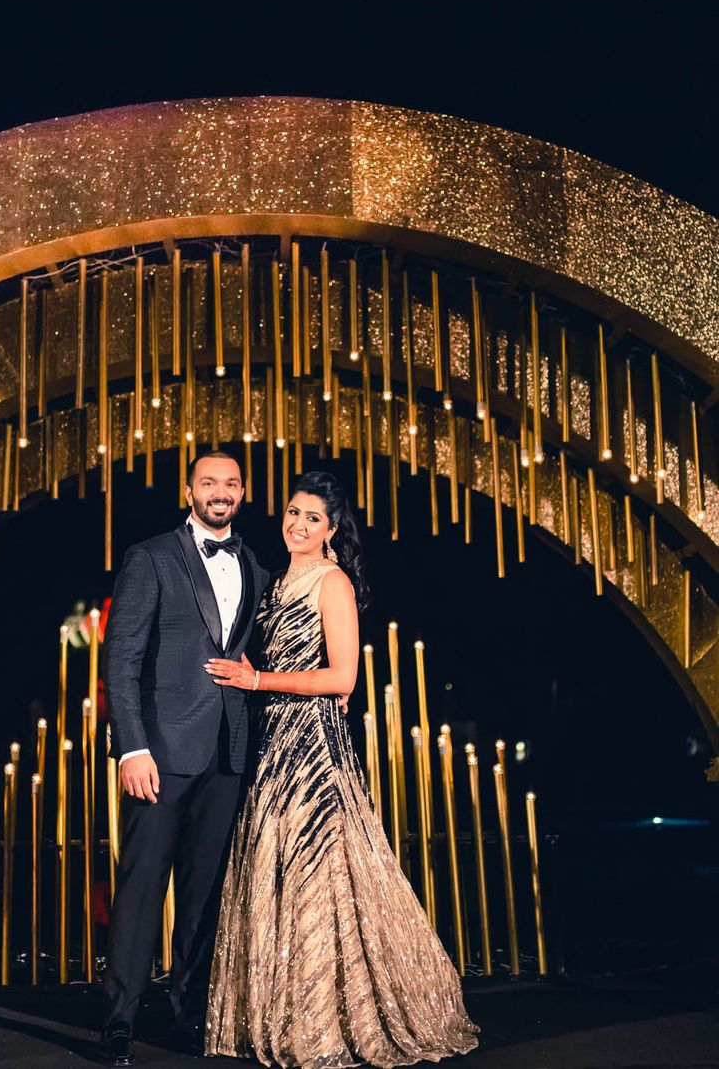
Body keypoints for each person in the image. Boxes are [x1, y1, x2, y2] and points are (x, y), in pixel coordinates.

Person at [203, 470, 479, 1068]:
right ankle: (284, 1011)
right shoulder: (277, 582)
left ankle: (325, 1019)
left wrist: (259, 679)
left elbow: (343, 678)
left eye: (311, 519)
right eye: (292, 513)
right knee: (277, 865)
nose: (297, 525)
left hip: (312, 748)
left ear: (331, 531)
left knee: (320, 870)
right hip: (273, 741)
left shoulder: (333, 583)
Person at [100, 452, 268, 1067]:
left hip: (229, 753)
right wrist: (132, 747)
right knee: (141, 888)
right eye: (208, 483)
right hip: (160, 755)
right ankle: (119, 1019)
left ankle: (188, 1015)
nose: (219, 493)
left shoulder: (255, 564)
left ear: (242, 493)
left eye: (229, 484)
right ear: (188, 491)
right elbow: (121, 660)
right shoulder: (149, 557)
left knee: (204, 896)